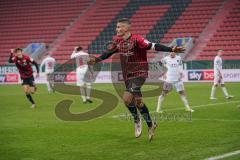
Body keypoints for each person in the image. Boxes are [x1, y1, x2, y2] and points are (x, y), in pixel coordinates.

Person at [88, 18, 185, 141]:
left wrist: (171, 49)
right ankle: (150, 124)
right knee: (132, 102)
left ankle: (137, 120)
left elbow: (153, 45)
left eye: (120, 27)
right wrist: (97, 59)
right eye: (116, 27)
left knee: (130, 95)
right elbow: (108, 53)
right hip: (127, 75)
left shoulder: (137, 39)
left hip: (140, 72)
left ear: (127, 28)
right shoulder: (117, 41)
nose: (117, 29)